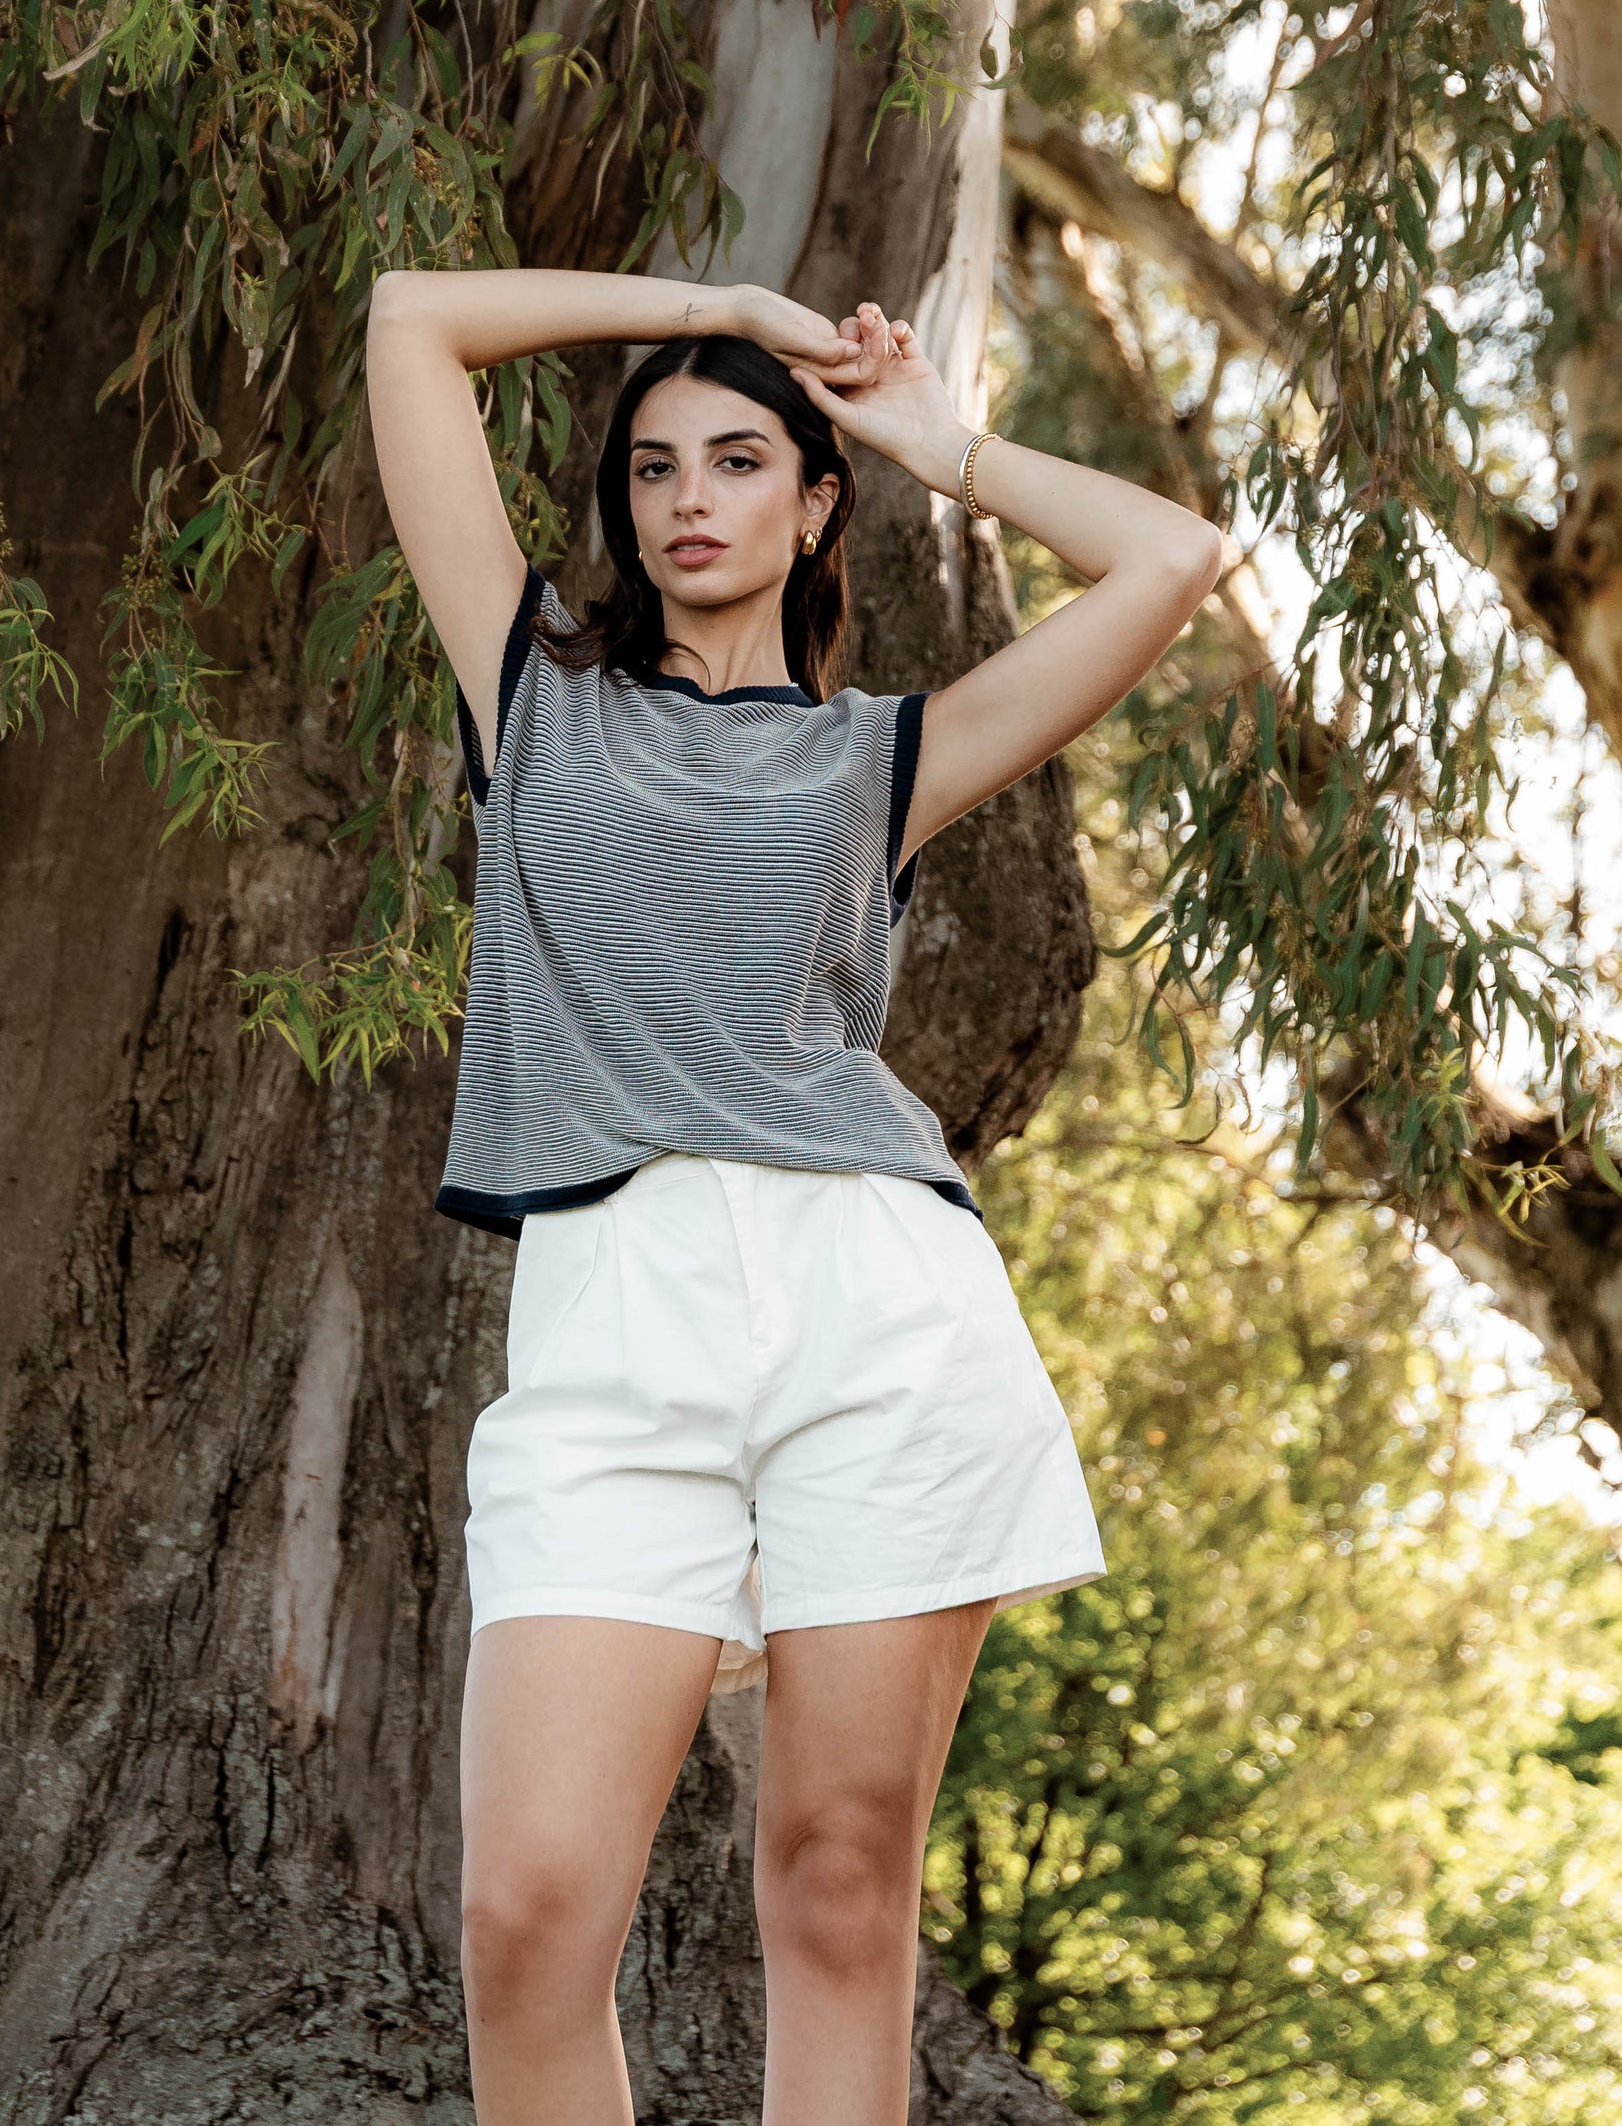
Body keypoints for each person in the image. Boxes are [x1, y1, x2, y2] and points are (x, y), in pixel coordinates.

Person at [363, 266, 1233, 2126]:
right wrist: (718, 301)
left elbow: (1170, 561)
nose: (688, 495)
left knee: (837, 1885)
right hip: (611, 1325)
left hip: (876, 1311)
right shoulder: (534, 696)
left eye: (743, 456)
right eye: (655, 463)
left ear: (811, 501)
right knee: (523, 1917)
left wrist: (942, 440)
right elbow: (409, 320)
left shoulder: (880, 757)